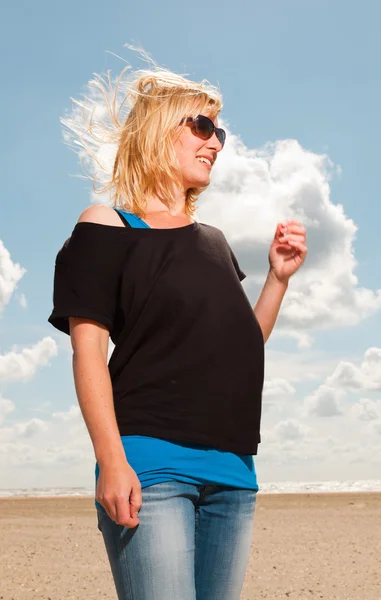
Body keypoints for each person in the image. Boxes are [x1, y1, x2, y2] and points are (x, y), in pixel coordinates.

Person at [48, 62, 307, 600]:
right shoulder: (106, 226)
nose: (216, 142)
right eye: (203, 127)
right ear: (157, 128)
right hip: (151, 469)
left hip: (234, 475)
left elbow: (238, 349)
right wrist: (113, 461)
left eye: (221, 132)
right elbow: (89, 351)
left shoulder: (213, 240)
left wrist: (277, 280)